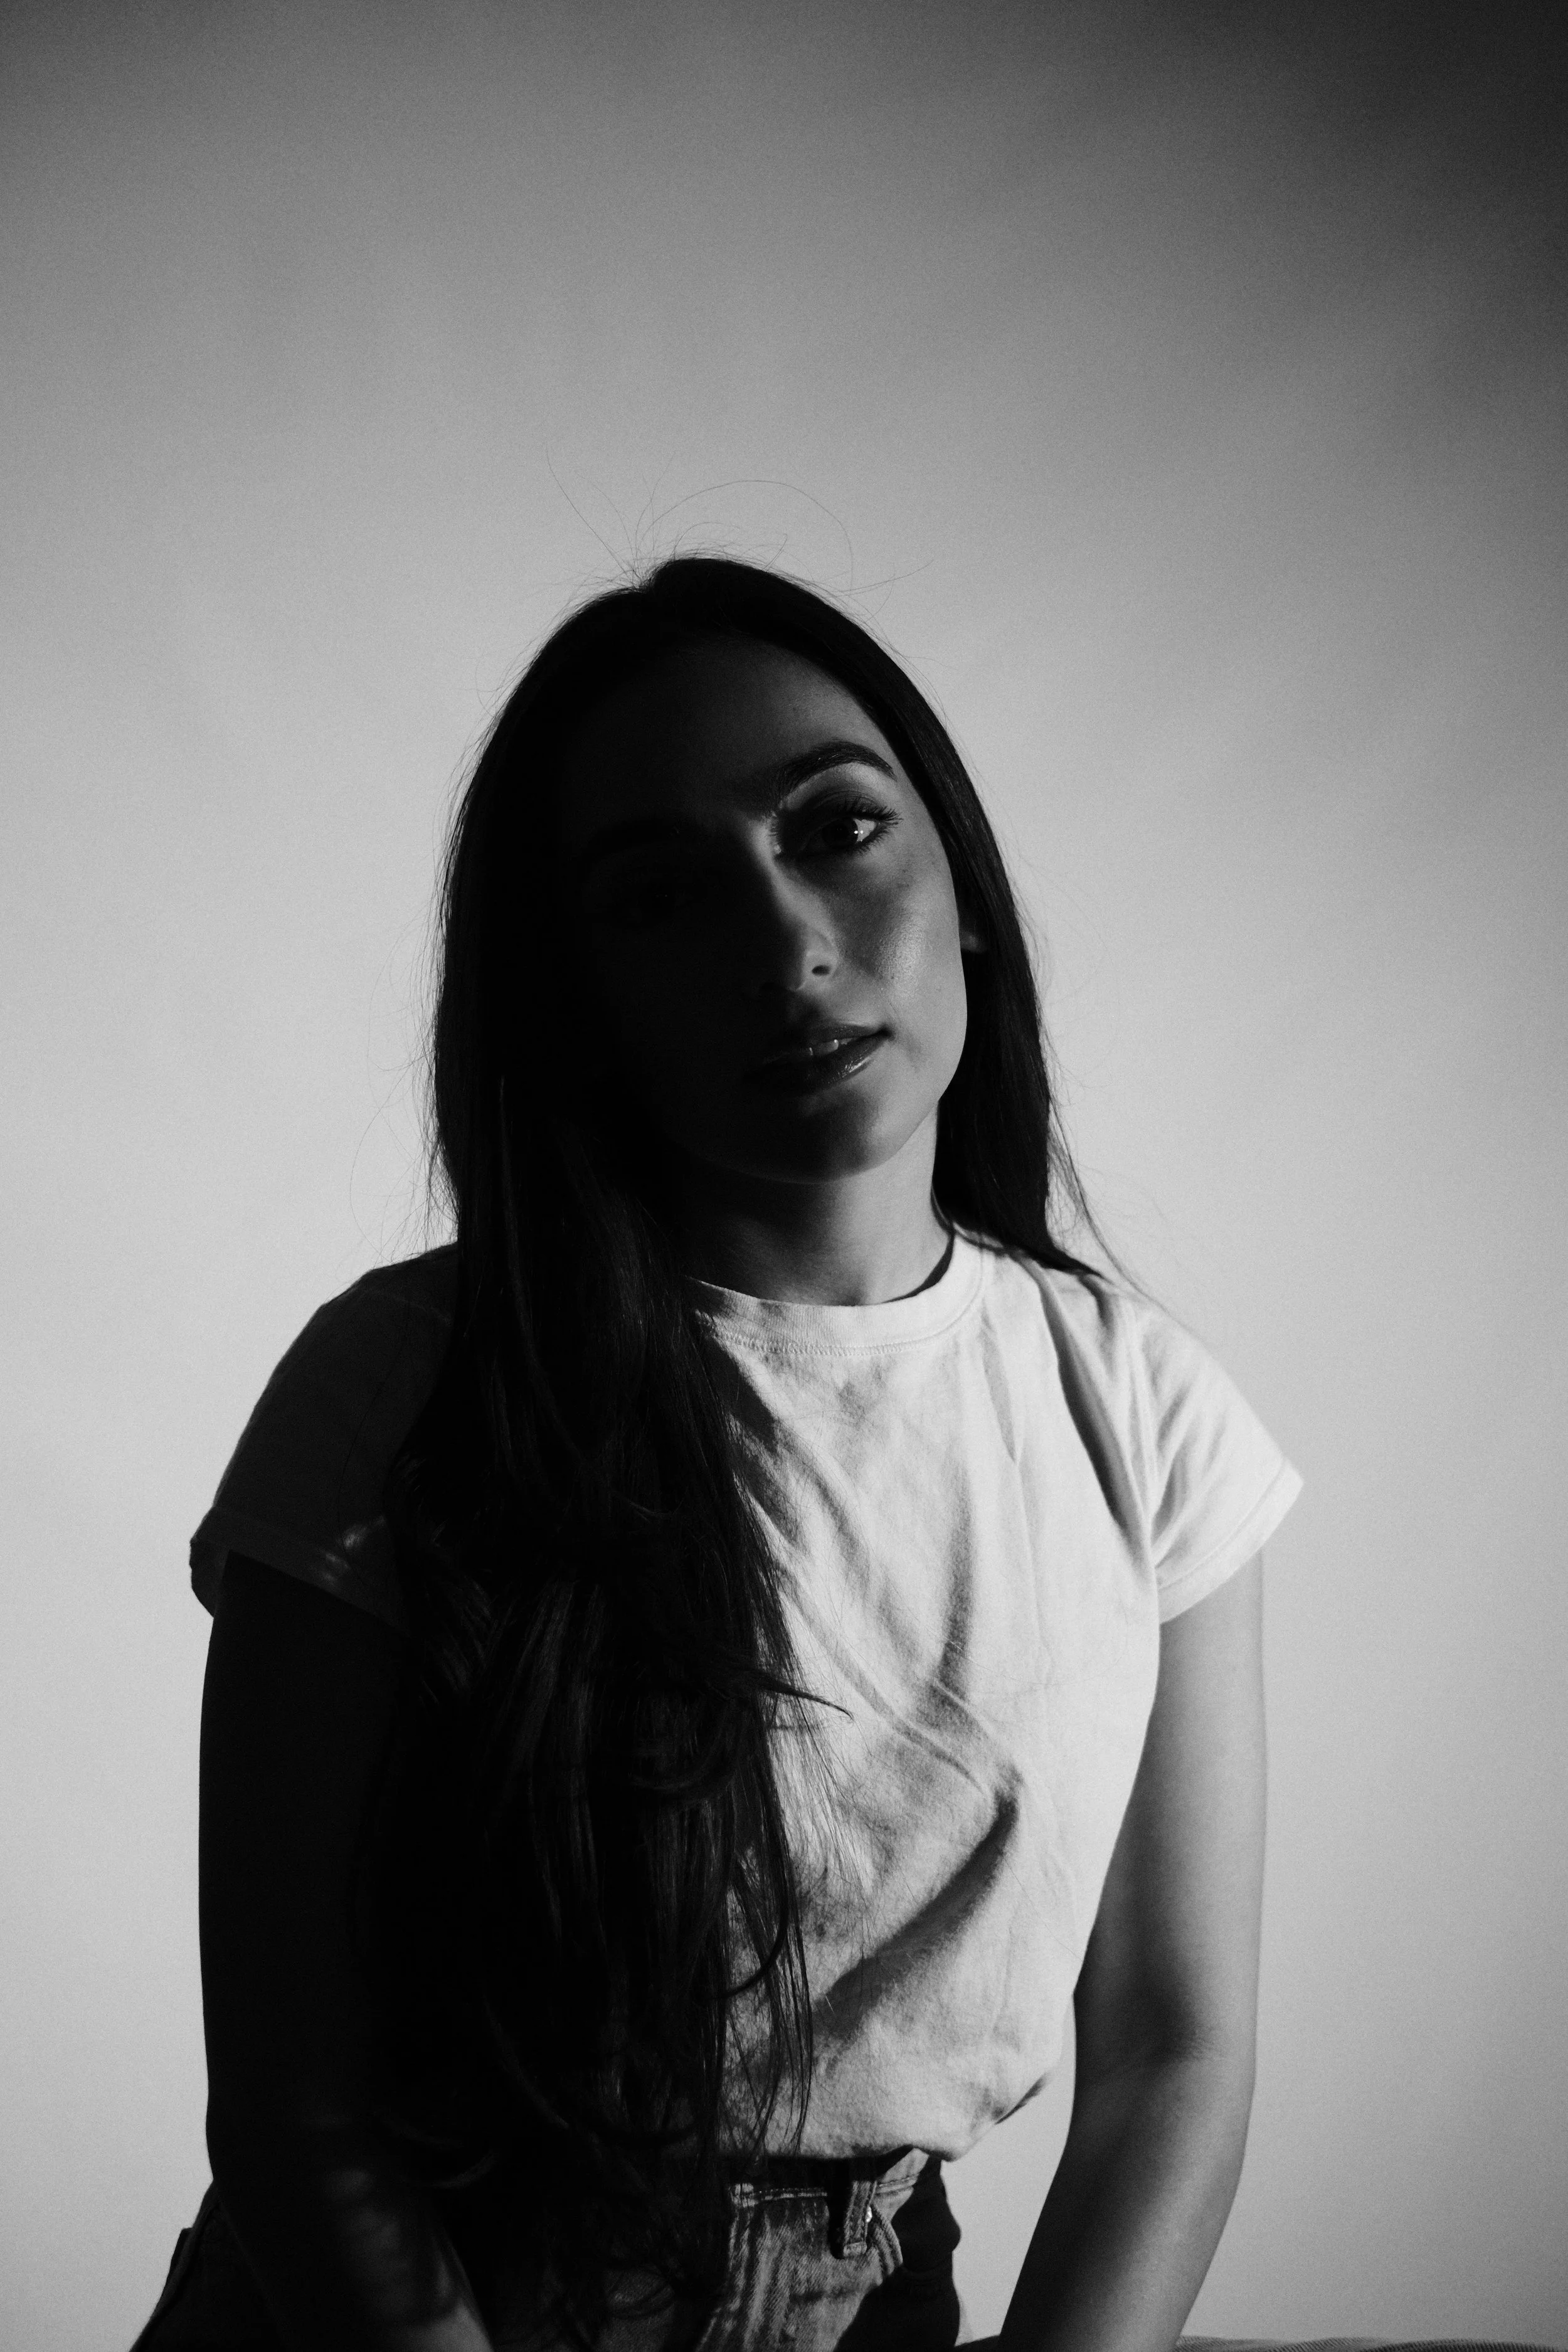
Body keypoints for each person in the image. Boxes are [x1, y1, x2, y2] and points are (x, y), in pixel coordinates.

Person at [132, 556, 1301, 2352]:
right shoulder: (405, 1382)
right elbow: (302, 2105)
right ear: (575, 999)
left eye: (835, 827)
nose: (783, 942)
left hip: (879, 2303)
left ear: (962, 890)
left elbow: (1170, 2054)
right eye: (660, 900)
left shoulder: (1142, 1412)